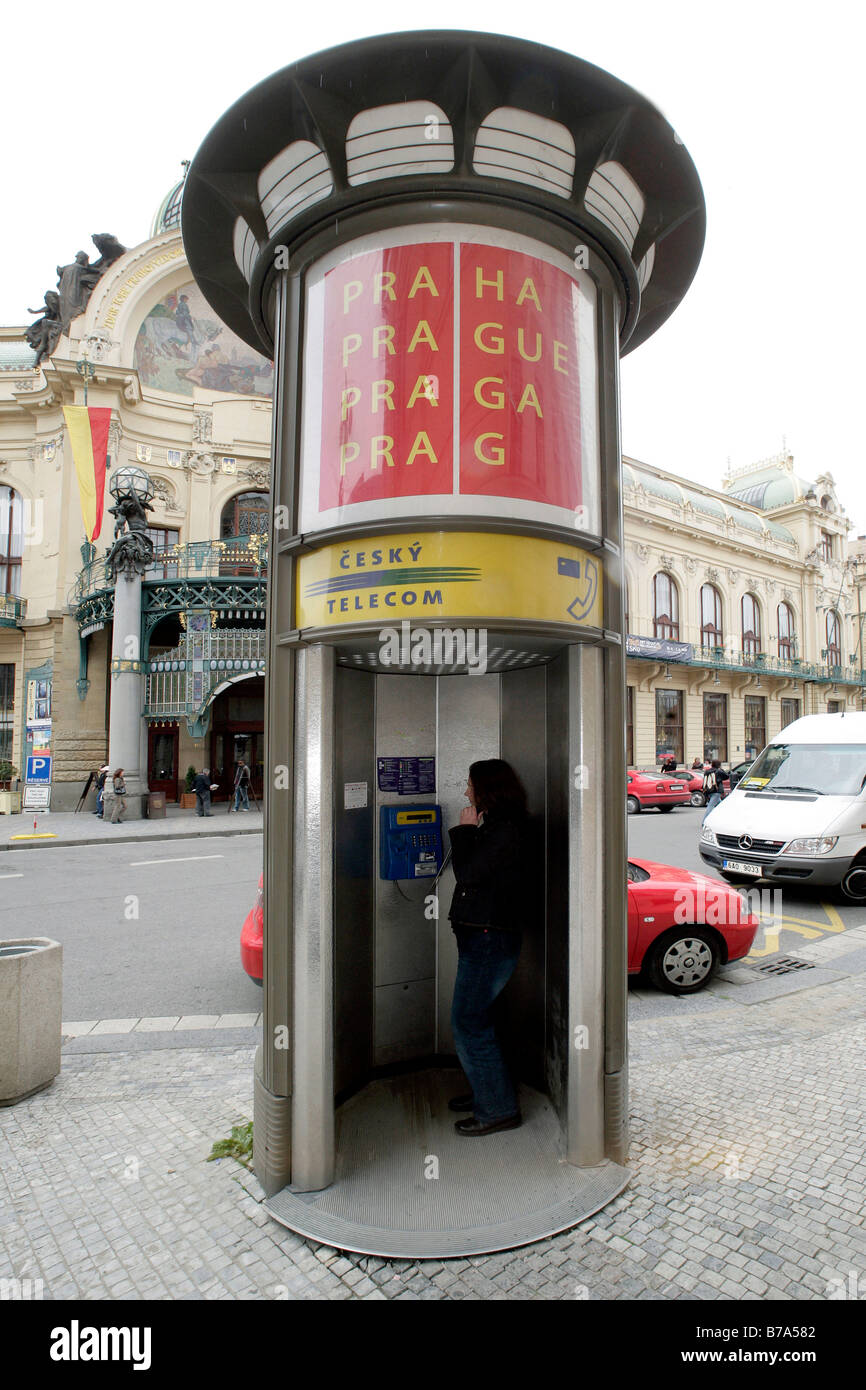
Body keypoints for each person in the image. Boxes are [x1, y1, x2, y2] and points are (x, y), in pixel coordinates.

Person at [447, 758, 528, 1137]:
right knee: (479, 1018)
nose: (466, 791)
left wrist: (464, 831)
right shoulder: (499, 825)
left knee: (467, 1020)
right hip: (483, 935)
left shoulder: (506, 830)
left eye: (470, 785)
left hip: (489, 937)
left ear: (486, 790)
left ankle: (497, 1108)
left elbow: (470, 873)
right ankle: (489, 1089)